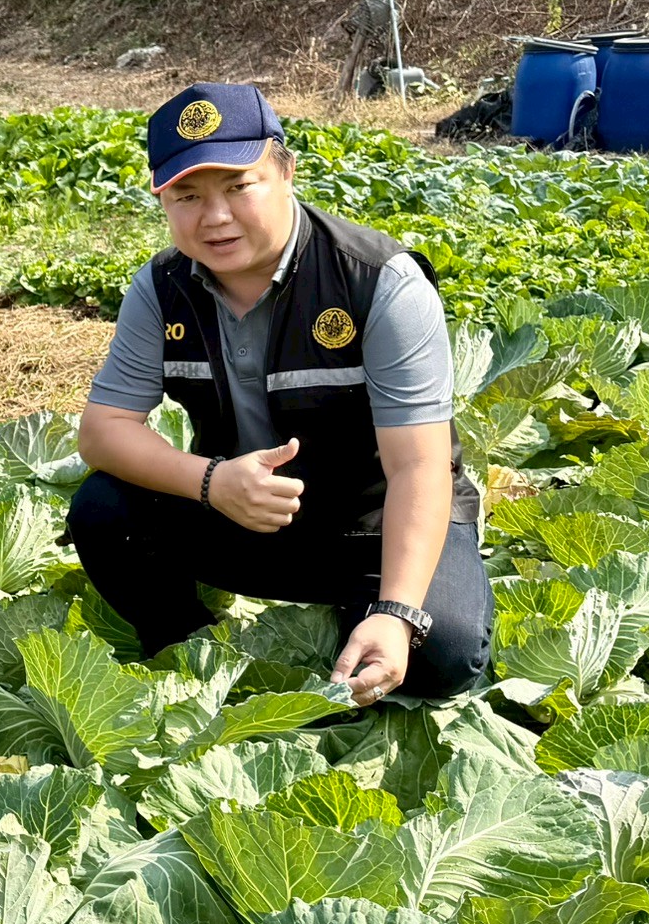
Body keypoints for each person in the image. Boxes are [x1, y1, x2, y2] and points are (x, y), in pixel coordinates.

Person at [68, 81, 492, 703]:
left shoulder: (379, 282)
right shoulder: (161, 289)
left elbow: (420, 465)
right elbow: (102, 432)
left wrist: (398, 610)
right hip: (245, 512)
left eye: (240, 186)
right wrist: (213, 482)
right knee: (104, 512)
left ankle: (370, 616)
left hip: (371, 526)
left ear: (286, 171)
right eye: (187, 195)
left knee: (445, 655)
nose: (214, 218)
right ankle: (188, 650)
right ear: (161, 198)